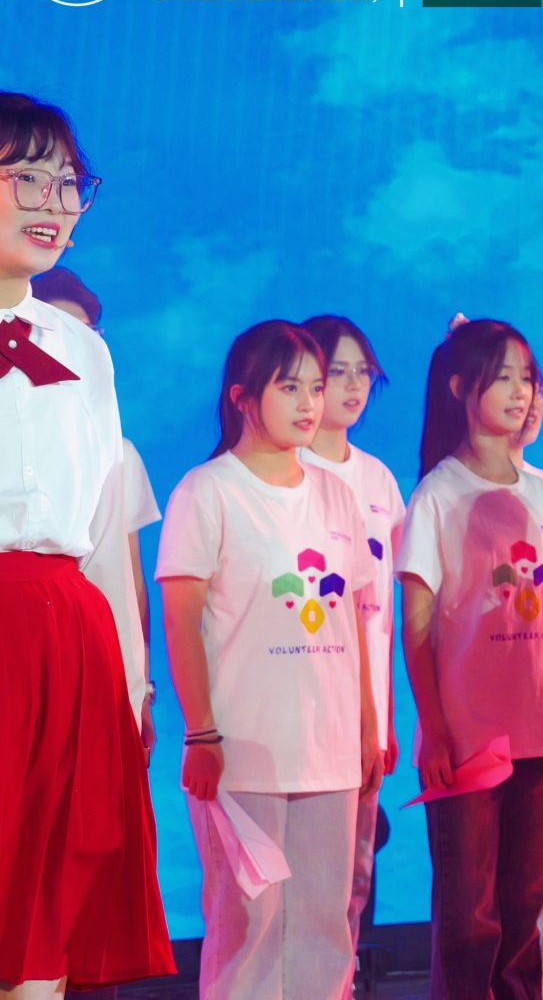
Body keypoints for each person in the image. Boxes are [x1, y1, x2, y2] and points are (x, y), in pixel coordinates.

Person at [0, 92, 174, 998]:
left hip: (66, 638)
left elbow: (105, 533)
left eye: (69, 184)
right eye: (27, 178)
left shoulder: (83, 350)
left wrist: (130, 680)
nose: (54, 204)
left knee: (51, 898)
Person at [157, 320, 380, 1000]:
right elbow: (182, 621)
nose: (310, 403)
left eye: (315, 387)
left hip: (329, 751)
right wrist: (201, 732)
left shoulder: (338, 494)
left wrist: (368, 725)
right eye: (290, 388)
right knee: (248, 925)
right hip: (244, 752)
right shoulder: (208, 491)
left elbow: (354, 618)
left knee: (324, 928)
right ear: (242, 397)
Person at [399, 317, 543, 1000]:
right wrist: (435, 729)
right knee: (470, 918)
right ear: (459, 387)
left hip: (541, 735)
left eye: (525, 377)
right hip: (470, 739)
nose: (519, 391)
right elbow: (417, 628)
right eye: (501, 377)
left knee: (525, 908)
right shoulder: (438, 494)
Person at [299, 313, 407, 946]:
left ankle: (341, 982)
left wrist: (382, 719)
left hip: (365, 709)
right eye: (334, 371)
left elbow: (383, 614)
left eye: (361, 371)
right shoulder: (284, 469)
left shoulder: (378, 481)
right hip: (301, 698)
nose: (351, 385)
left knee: (352, 876)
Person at [35, 268, 163, 756]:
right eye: (60, 333)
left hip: (95, 658)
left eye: (88, 336)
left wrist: (140, 688)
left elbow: (128, 587)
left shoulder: (117, 453)